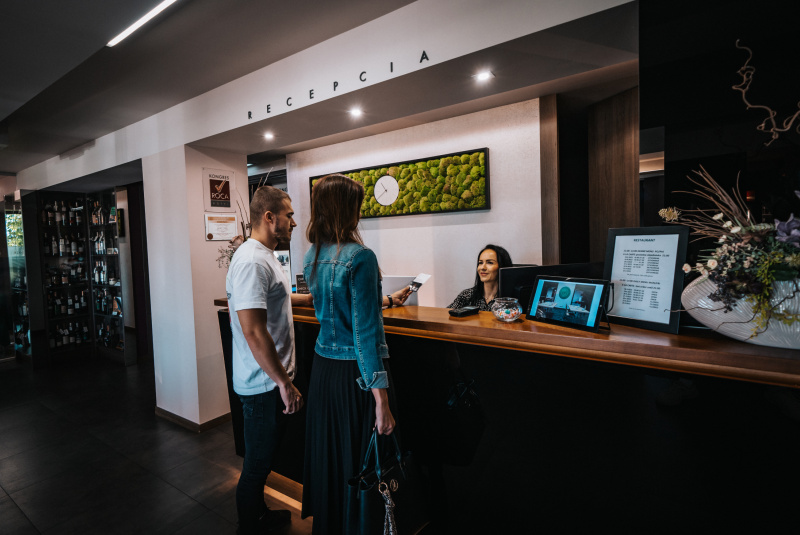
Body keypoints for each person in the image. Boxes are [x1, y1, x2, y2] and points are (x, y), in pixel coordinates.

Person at [301, 173, 412, 535]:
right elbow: (364, 335)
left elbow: (337, 308)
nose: (359, 213)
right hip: (356, 379)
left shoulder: (312, 255)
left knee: (333, 459)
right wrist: (381, 400)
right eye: (357, 205)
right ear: (346, 209)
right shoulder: (360, 257)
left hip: (324, 372)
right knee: (363, 464)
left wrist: (386, 300)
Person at [226, 186, 312, 535]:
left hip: (267, 383)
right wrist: (284, 384)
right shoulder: (250, 261)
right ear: (269, 217)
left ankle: (259, 515)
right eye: (289, 215)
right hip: (263, 386)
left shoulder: (264, 256)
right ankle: (250, 526)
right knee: (257, 465)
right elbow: (253, 332)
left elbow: (279, 301)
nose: (294, 222)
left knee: (263, 459)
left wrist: (313, 298)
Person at [448, 244, 513, 310]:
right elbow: (446, 315)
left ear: (503, 267)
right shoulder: (467, 295)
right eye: (480, 263)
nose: (482, 267)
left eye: (490, 263)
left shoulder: (511, 301)